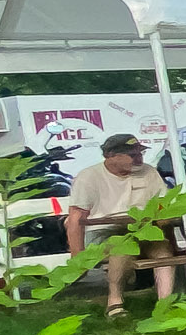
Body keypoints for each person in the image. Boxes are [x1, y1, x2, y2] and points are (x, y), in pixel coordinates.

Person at [65, 133, 178, 316]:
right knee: (122, 248)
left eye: (140, 153)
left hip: (145, 228)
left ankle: (165, 304)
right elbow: (76, 216)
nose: (139, 158)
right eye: (133, 155)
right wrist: (78, 258)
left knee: (163, 251)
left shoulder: (149, 172)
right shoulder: (88, 177)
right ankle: (115, 301)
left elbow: (162, 205)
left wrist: (165, 223)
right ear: (111, 156)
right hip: (104, 230)